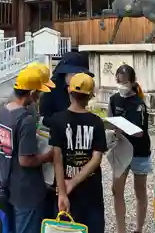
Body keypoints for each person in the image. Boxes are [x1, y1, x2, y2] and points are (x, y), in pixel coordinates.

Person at [0, 66, 54, 233]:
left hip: (3, 181)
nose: (40, 96)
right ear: (31, 93)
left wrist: (10, 149)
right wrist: (48, 156)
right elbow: (26, 160)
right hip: (25, 189)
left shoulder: (4, 110)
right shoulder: (27, 120)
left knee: (6, 227)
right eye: (39, 93)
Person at [49, 72, 107, 233]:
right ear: (90, 96)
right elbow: (96, 159)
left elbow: (57, 159)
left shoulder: (57, 119)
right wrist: (74, 182)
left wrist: (62, 192)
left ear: (69, 91)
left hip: (64, 186)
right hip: (91, 189)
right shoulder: (96, 122)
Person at [108, 64, 151, 233]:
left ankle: (139, 228)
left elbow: (141, 132)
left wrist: (124, 127)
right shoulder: (113, 99)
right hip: (120, 149)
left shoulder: (139, 103)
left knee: (139, 191)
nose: (121, 86)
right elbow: (110, 119)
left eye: (125, 83)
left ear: (132, 82)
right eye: (119, 82)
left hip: (139, 151)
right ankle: (121, 229)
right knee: (116, 190)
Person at [40, 51, 94, 129]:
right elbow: (44, 118)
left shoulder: (79, 87)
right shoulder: (51, 89)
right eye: (75, 74)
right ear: (65, 73)